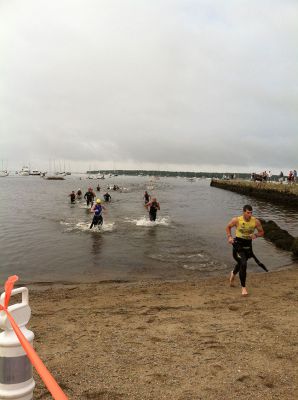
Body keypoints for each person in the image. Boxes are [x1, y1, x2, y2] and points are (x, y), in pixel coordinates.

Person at [225, 204, 264, 296]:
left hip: (248, 246)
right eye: (248, 212)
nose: (250, 214)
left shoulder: (256, 221)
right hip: (237, 244)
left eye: (251, 212)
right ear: (244, 212)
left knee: (241, 263)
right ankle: (243, 288)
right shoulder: (237, 220)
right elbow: (228, 227)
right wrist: (230, 237)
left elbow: (262, 232)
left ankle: (233, 273)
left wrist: (255, 235)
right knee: (243, 263)